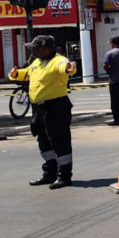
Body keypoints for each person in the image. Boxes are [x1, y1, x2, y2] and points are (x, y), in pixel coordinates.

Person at [8, 35, 77, 189]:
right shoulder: (37, 62)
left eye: (35, 47)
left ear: (45, 48)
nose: (33, 50)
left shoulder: (57, 60)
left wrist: (69, 68)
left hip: (55, 107)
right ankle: (50, 174)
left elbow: (65, 67)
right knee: (44, 140)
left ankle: (64, 176)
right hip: (39, 109)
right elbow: (26, 73)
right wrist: (14, 74)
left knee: (59, 141)